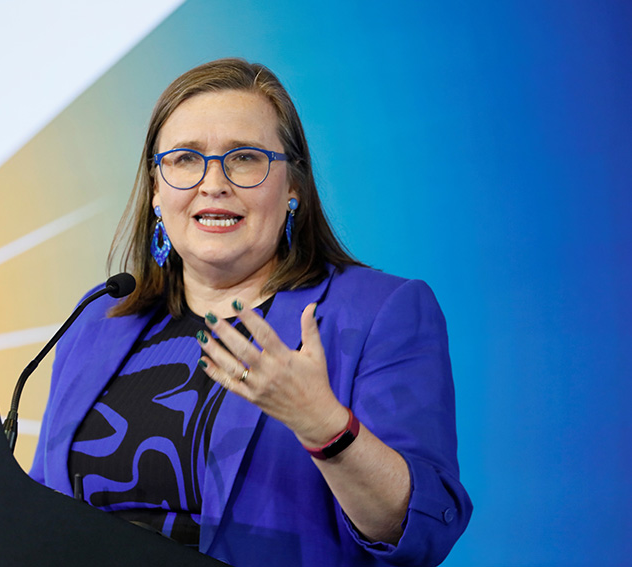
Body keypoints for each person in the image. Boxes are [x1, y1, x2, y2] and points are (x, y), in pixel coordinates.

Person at [30, 58, 471, 566]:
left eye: (243, 158)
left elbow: (419, 531)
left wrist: (324, 426)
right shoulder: (99, 318)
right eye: (185, 159)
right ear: (155, 189)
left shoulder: (376, 313)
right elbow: (42, 509)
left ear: (293, 188)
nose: (213, 183)